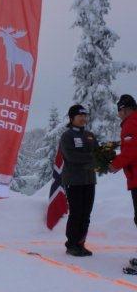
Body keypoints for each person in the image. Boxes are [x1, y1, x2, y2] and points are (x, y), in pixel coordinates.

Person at [59, 104, 98, 257]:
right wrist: (92, 158)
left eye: (84, 116)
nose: (83, 118)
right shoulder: (67, 136)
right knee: (76, 213)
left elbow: (98, 153)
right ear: (72, 118)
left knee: (86, 214)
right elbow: (71, 157)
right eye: (79, 116)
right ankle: (71, 245)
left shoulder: (90, 135)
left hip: (89, 180)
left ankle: (81, 243)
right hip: (74, 180)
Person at [109, 95, 137, 229]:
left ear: (124, 109)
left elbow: (131, 150)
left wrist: (115, 164)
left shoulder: (131, 123)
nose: (119, 115)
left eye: (119, 112)